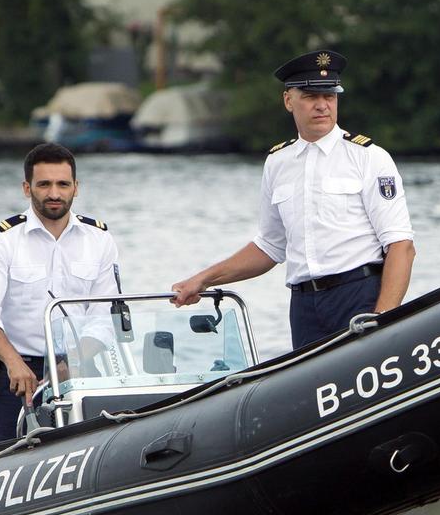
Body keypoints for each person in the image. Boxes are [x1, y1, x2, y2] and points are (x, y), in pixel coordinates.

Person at [170, 50, 415, 349]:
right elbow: (270, 247)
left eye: (330, 96)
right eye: (312, 96)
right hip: (304, 306)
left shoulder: (368, 157)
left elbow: (401, 247)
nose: (323, 105)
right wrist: (204, 279)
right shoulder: (278, 162)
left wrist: (383, 318)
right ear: (289, 101)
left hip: (357, 295)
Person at [0, 142, 119, 443]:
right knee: (4, 453)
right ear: (27, 188)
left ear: (76, 187)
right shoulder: (1, 240)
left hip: (82, 364)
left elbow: (104, 317)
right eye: (44, 184)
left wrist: (72, 363)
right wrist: (14, 364)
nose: (54, 193)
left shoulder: (99, 238)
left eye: (63, 184)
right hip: (18, 370)